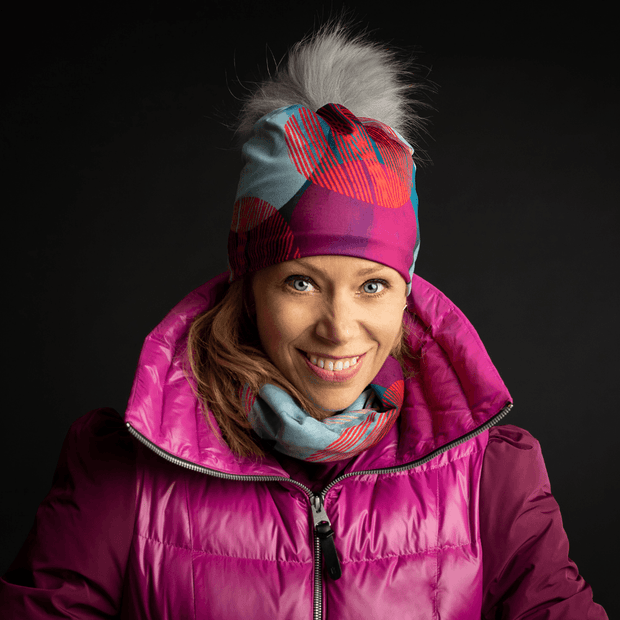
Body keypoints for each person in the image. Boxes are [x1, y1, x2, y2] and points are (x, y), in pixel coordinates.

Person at [0, 22, 608, 620]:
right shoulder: (123, 469)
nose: (339, 328)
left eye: (372, 285)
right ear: (248, 288)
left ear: (406, 296)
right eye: (301, 282)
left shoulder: (491, 474)